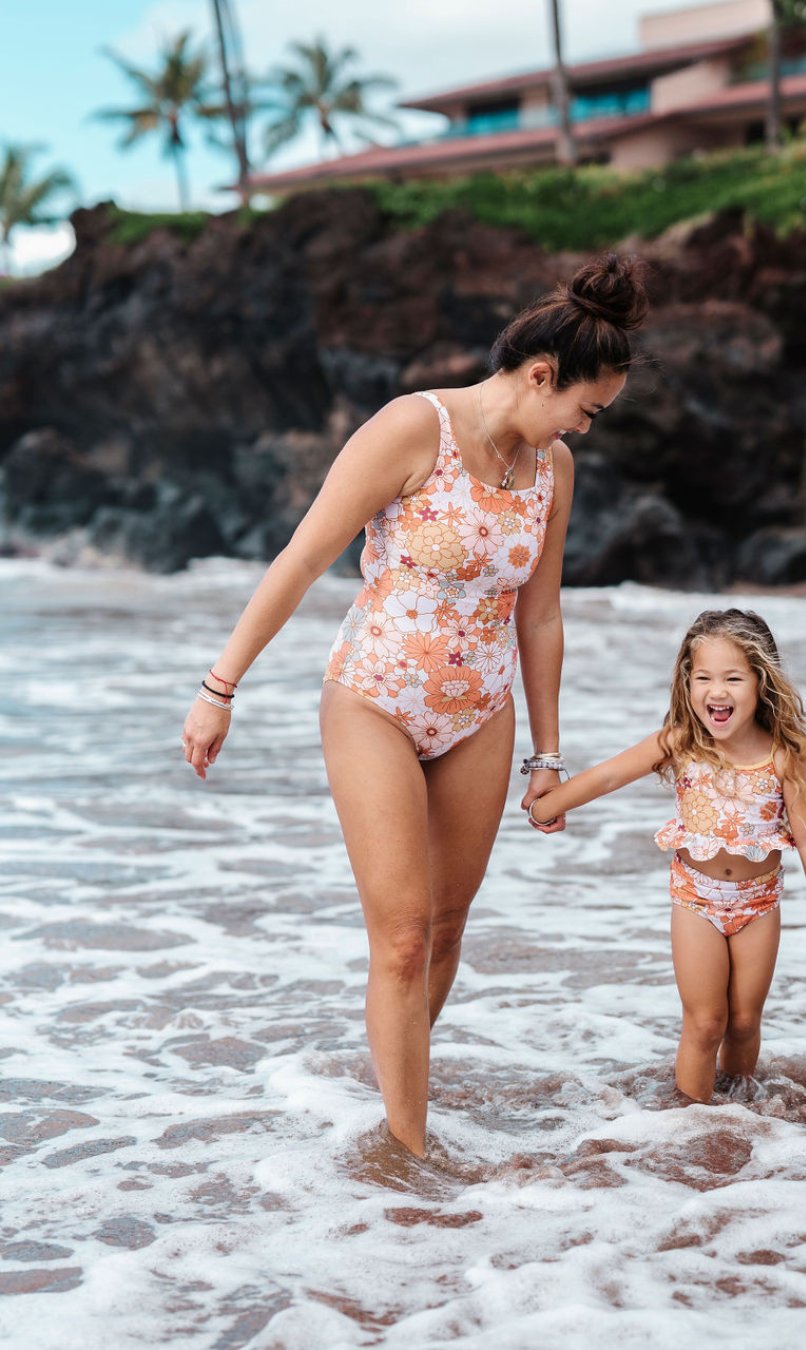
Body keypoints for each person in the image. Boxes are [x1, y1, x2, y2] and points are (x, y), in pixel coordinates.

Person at [181, 254, 650, 1156]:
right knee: (399, 938)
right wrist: (219, 688)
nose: (586, 430)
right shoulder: (413, 428)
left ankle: (398, 1096)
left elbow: (541, 613)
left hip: (481, 713)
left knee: (443, 931)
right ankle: (410, 1155)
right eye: (587, 410)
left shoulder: (553, 471)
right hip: (376, 701)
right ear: (543, 375)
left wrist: (546, 753)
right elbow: (301, 559)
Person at [527, 608, 806, 1103]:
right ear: (686, 683)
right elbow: (610, 775)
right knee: (705, 1020)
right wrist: (549, 804)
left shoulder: (782, 755)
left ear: (762, 682)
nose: (717, 691)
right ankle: (690, 1123)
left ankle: (738, 1110)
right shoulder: (682, 742)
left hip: (760, 904)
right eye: (704, 678)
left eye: (733, 678)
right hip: (696, 900)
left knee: (742, 1021)